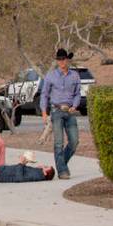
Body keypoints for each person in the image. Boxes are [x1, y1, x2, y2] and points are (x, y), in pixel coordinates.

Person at [40, 48, 81, 179]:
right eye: (59, 59)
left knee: (74, 141)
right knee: (59, 142)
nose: (61, 61)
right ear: (57, 61)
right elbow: (44, 94)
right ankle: (62, 171)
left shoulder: (74, 75)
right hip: (56, 110)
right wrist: (44, 113)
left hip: (69, 111)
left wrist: (75, 106)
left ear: (67, 60)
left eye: (63, 59)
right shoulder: (51, 75)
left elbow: (77, 93)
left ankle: (60, 163)